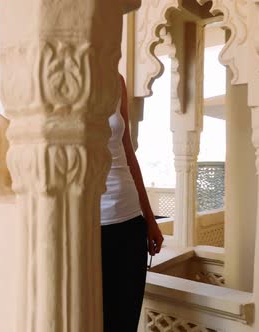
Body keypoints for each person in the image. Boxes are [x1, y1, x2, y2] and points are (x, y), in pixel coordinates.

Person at [101, 74, 164, 331]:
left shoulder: (116, 81)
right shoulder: (66, 74)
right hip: (90, 223)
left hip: (129, 220)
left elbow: (127, 150)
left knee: (125, 320)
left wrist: (149, 219)